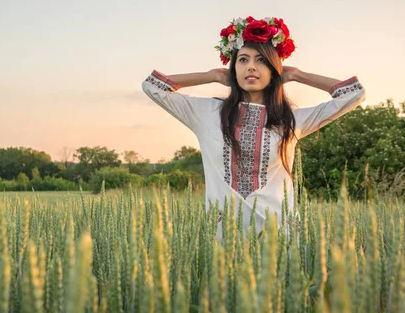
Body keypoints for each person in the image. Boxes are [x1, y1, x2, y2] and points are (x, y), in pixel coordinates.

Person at [142, 16, 365, 240]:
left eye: (261, 60)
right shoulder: (205, 113)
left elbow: (354, 94)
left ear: (274, 69)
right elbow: (153, 86)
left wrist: (297, 74)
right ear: (233, 69)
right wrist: (211, 76)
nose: (251, 66)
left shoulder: (291, 120)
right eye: (243, 60)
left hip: (279, 237)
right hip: (224, 238)